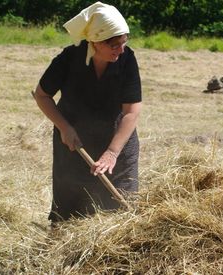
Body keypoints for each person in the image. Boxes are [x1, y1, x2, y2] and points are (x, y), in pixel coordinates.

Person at [33, 2, 142, 223]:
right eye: (114, 45)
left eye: (124, 42)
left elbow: (131, 112)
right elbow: (42, 95)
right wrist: (64, 128)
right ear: (95, 42)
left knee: (120, 209)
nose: (121, 50)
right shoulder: (69, 58)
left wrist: (112, 152)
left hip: (117, 140)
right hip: (74, 141)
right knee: (70, 206)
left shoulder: (127, 59)